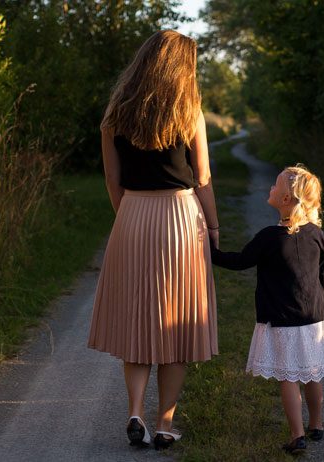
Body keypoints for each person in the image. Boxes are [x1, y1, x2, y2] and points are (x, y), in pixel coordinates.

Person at [87, 30, 220, 451]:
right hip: (180, 217)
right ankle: (164, 423)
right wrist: (214, 228)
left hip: (132, 214)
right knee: (175, 323)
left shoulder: (115, 114)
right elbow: (201, 178)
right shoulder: (189, 111)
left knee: (138, 321)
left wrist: (126, 215)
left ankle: (135, 413)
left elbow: (112, 178)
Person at [210, 164, 324, 454]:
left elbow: (240, 261)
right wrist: (321, 311)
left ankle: (297, 435)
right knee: (312, 373)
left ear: (286, 199)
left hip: (282, 318)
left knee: (289, 377)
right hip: (314, 318)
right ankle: (317, 425)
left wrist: (210, 252)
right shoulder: (316, 234)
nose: (270, 186)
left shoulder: (269, 237)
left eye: (275, 184)